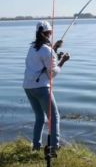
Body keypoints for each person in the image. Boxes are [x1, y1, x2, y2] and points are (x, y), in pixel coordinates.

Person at [23, 20, 70, 151]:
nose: (51, 34)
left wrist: (55, 48)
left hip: (28, 87)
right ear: (48, 33)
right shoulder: (47, 51)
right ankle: (54, 147)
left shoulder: (32, 48)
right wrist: (63, 61)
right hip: (41, 88)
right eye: (51, 32)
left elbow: (43, 58)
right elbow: (52, 73)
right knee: (54, 117)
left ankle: (36, 147)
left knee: (40, 117)